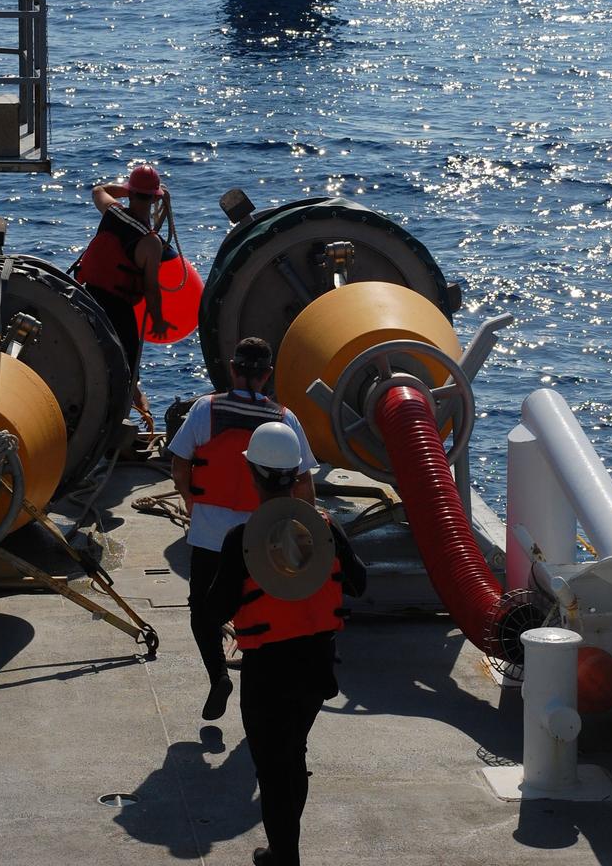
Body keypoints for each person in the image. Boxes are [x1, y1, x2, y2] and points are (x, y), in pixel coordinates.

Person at [205, 422, 367, 866]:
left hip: (268, 672)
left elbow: (214, 609)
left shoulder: (241, 541)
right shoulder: (326, 528)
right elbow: (359, 583)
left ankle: (284, 858)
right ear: (298, 475)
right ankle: (284, 852)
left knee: (273, 770)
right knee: (292, 756)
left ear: (253, 475)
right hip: (317, 667)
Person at [168, 337, 317, 720]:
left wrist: (190, 501)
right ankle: (258, 678)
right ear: (267, 375)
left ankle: (218, 676)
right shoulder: (284, 419)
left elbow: (180, 465)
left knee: (203, 612)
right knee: (259, 609)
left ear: (233, 370)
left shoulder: (205, 409)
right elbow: (304, 484)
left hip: (209, 538)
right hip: (262, 536)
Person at [75, 164, 173, 419]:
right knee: (128, 376)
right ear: (154, 199)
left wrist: (128, 189)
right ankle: (131, 425)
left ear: (129, 194)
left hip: (86, 296)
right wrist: (159, 320)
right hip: (117, 309)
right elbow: (151, 289)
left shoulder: (112, 212)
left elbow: (99, 190)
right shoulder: (150, 242)